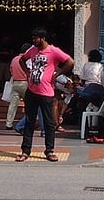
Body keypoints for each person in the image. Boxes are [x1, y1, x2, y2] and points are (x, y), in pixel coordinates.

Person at [16, 27, 73, 163]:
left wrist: (57, 74)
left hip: (46, 92)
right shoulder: (33, 50)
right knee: (29, 121)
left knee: (48, 123)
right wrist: (28, 73)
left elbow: (70, 61)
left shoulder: (53, 51)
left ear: (42, 38)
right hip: (32, 90)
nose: (34, 40)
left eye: (36, 38)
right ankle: (25, 150)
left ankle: (49, 150)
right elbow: (22, 60)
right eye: (33, 38)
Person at [5, 47, 28, 131]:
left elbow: (11, 71)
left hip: (15, 83)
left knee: (13, 105)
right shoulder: (27, 59)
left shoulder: (14, 59)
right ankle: (27, 122)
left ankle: (9, 123)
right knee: (29, 105)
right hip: (25, 83)